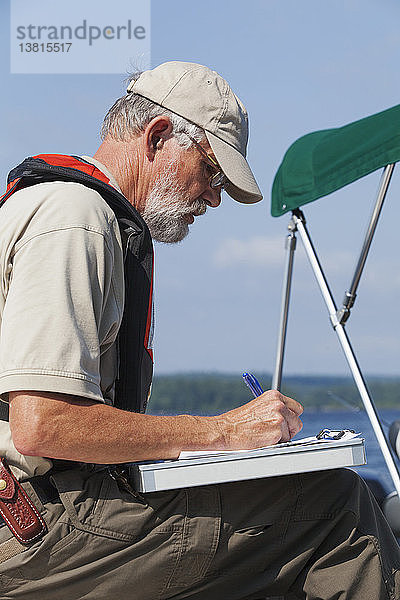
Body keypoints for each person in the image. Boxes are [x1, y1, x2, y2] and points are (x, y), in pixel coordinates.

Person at [0, 61, 398, 600]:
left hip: (43, 513)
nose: (213, 199)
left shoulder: (73, 214)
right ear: (159, 137)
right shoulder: (76, 219)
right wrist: (223, 434)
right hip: (37, 530)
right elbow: (43, 424)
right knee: (335, 505)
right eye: (210, 172)